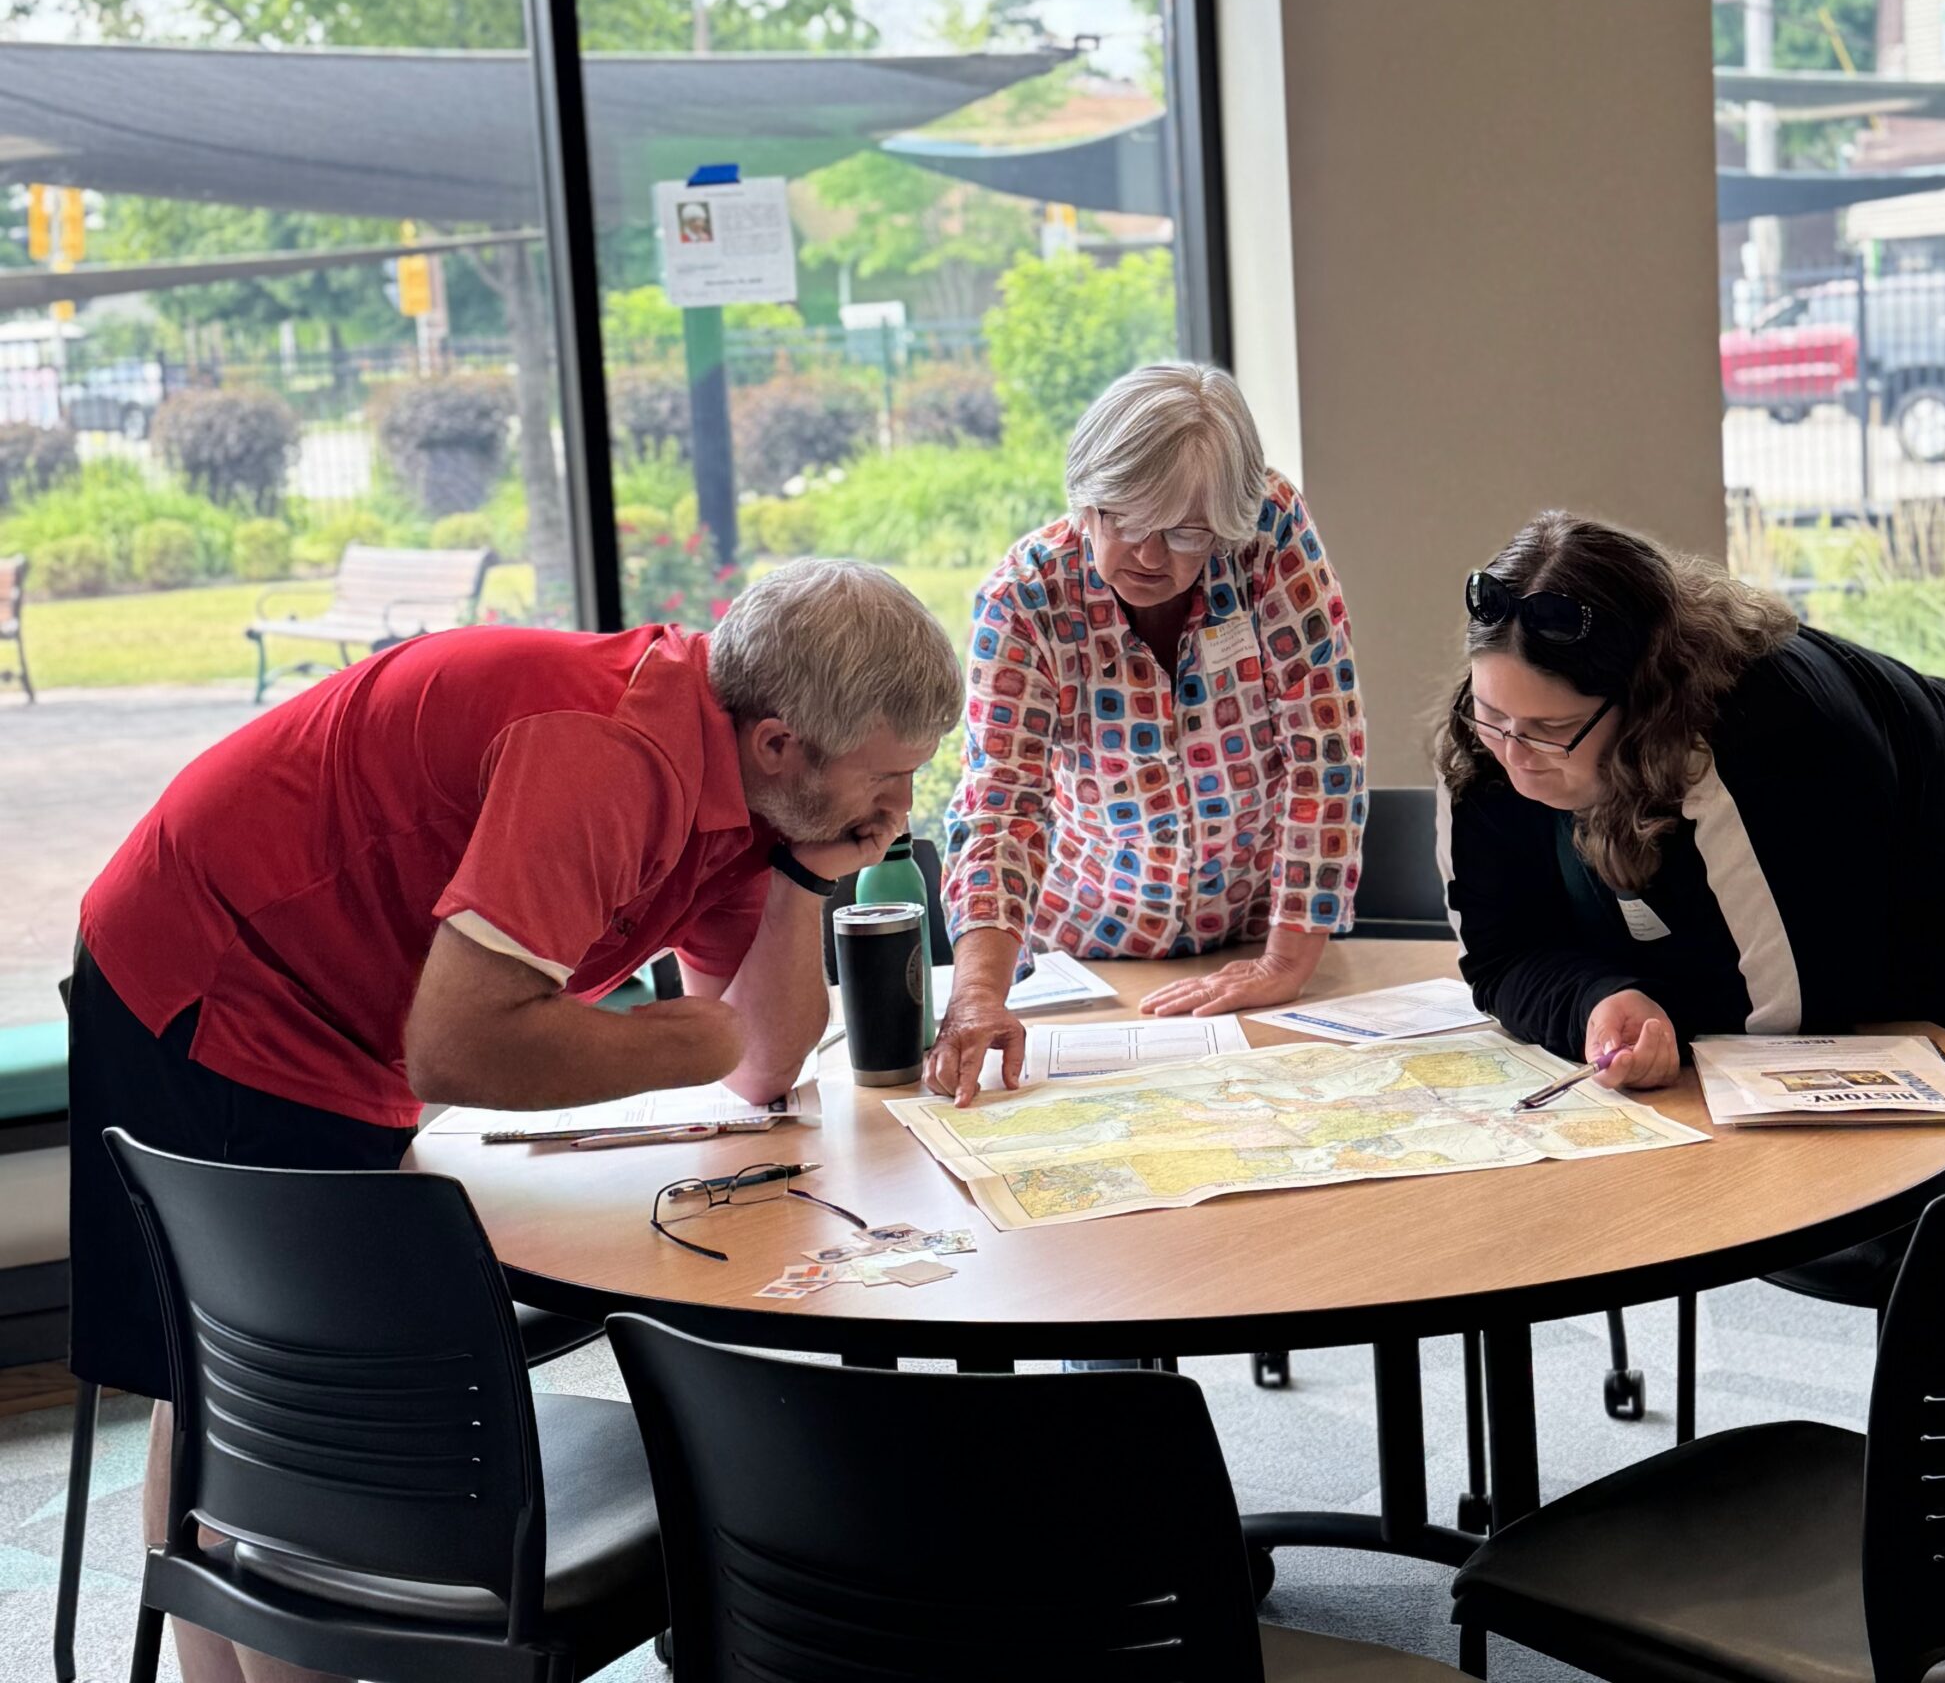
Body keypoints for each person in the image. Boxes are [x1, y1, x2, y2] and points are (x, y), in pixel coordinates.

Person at [71, 557, 960, 1683]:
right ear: (780, 740)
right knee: (264, 1372)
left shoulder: (753, 785)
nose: (901, 813)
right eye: (885, 780)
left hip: (356, 1007)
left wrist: (806, 870)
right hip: (219, 960)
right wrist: (685, 1041)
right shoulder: (607, 757)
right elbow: (466, 1043)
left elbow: (763, 1058)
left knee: (293, 1359)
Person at [1439, 509, 1945, 1179]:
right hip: (1847, 846)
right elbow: (1500, 960)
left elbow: (1786, 1015)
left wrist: (1658, 1010)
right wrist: (1600, 1000)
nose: (1515, 756)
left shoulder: (1762, 744)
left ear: (1642, 705)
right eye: (1495, 715)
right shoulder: (1487, 743)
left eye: (1551, 727)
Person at [927, 362, 1366, 1106]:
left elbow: (1323, 747)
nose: (1150, 555)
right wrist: (976, 996)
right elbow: (1002, 806)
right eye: (1124, 518)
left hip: (1254, 937)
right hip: (1092, 949)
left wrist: (1286, 962)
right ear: (1085, 500)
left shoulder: (1268, 533)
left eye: (1185, 531)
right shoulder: (1026, 598)